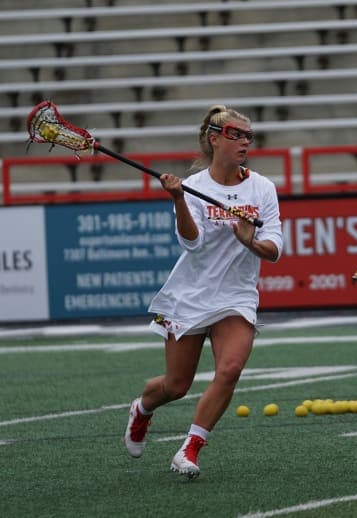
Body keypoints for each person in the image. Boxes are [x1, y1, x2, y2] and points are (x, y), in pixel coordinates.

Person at [122, 105, 284, 480]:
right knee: (175, 386)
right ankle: (143, 408)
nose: (245, 141)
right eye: (236, 135)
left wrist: (250, 242)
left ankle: (190, 447)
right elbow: (191, 244)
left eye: (248, 136)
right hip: (191, 295)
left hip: (236, 296)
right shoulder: (194, 187)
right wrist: (179, 198)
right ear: (214, 139)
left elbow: (273, 248)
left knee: (230, 369)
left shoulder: (262, 188)